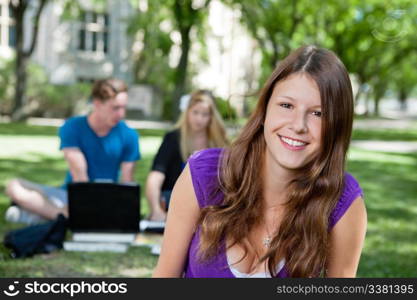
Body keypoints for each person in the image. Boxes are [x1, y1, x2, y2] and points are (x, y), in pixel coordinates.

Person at [153, 45, 367, 278]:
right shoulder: (204, 175)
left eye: (319, 113)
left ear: (337, 126)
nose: (298, 125)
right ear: (264, 111)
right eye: (287, 106)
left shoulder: (343, 202)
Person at [5, 78, 140, 224]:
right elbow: (79, 176)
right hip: (71, 195)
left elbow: (127, 183)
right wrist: (79, 207)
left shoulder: (129, 135)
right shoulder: (73, 127)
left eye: (123, 108)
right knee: (13, 185)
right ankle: (63, 215)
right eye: (115, 108)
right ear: (97, 103)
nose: (121, 114)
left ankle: (47, 215)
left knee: (19, 212)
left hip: (107, 197)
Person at [146, 90, 229, 222]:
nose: (199, 119)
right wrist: (156, 210)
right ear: (187, 112)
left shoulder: (219, 142)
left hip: (208, 212)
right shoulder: (173, 138)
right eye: (195, 112)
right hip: (173, 208)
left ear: (211, 117)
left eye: (205, 114)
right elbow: (156, 176)